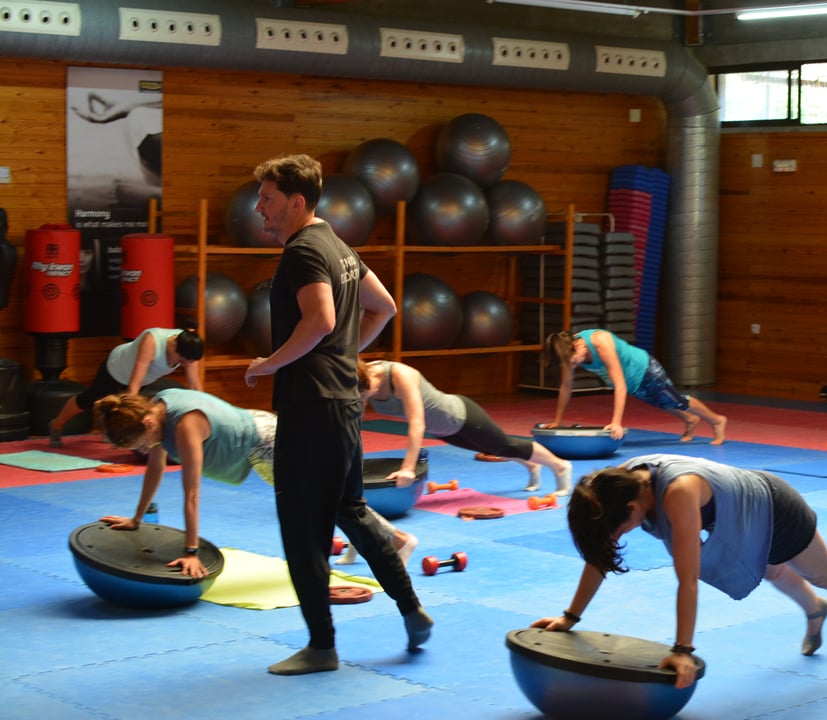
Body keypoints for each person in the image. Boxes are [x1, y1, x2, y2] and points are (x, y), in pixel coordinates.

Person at [242, 153, 431, 676]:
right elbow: (384, 306)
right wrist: (345, 356)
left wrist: (269, 363)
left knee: (302, 528)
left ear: (296, 203)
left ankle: (321, 646)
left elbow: (321, 319)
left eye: (268, 199)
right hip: (343, 404)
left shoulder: (303, 249)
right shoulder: (338, 245)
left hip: (312, 407)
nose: (259, 208)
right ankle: (411, 608)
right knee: (351, 510)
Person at [532, 453, 827, 689]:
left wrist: (682, 650)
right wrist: (570, 617)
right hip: (738, 514)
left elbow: (687, 580)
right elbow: (600, 554)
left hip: (774, 506)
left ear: (632, 508)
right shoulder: (617, 485)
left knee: (823, 574)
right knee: (772, 572)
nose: (621, 536)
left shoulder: (677, 493)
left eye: (620, 529)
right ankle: (814, 610)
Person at [92, 390, 418, 578]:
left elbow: (191, 494)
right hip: (256, 439)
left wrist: (191, 552)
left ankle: (398, 540)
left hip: (268, 441)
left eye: (138, 442)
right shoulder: (157, 409)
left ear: (147, 423)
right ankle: (363, 538)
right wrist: (136, 518)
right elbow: (155, 468)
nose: (141, 449)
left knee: (323, 500)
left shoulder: (184, 426)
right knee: (319, 502)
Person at [358, 359, 575, 496]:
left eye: (364, 394)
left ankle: (560, 466)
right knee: (494, 449)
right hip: (443, 429)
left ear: (368, 379)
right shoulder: (356, 380)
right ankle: (531, 465)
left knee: (506, 445)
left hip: (461, 416)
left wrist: (408, 468)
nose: (363, 400)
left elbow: (417, 424)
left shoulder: (400, 375)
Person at [545, 329, 727, 445]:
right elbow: (566, 387)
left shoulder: (600, 342)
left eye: (573, 362)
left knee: (676, 400)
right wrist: (558, 421)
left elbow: (620, 385)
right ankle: (690, 419)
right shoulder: (568, 352)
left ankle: (717, 420)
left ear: (577, 345)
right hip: (632, 381)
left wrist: (616, 422)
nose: (573, 366)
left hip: (644, 368)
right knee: (662, 402)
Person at [48, 327, 204, 447]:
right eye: (181, 361)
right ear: (174, 345)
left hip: (144, 380)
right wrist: (131, 412)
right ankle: (56, 425)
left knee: (121, 408)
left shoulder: (189, 347)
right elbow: (134, 383)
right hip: (116, 369)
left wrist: (203, 415)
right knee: (87, 401)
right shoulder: (152, 342)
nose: (184, 365)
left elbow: (195, 387)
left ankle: (109, 431)